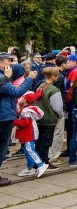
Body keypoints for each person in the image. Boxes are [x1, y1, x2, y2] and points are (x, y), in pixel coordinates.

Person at [0, 51, 36, 186]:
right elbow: (17, 92)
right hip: (3, 116)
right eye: (8, 61)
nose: (11, 63)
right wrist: (29, 79)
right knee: (2, 147)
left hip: (4, 114)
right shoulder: (2, 77)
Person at [13, 91, 49, 178]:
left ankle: (40, 165)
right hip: (30, 133)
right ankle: (30, 168)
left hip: (28, 133)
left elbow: (25, 122)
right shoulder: (30, 108)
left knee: (30, 150)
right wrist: (18, 111)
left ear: (25, 100)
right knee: (27, 150)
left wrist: (13, 121)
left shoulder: (26, 110)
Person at [34, 66, 63, 171]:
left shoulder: (40, 86)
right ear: (53, 76)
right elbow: (58, 107)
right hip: (49, 119)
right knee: (46, 142)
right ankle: (45, 161)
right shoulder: (54, 90)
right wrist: (60, 115)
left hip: (39, 118)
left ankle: (37, 161)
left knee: (39, 141)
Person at [48, 54, 67, 164]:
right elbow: (59, 94)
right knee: (58, 133)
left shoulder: (58, 75)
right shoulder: (60, 77)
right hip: (57, 108)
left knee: (54, 132)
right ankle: (53, 156)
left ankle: (52, 154)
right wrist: (62, 107)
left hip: (53, 108)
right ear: (63, 64)